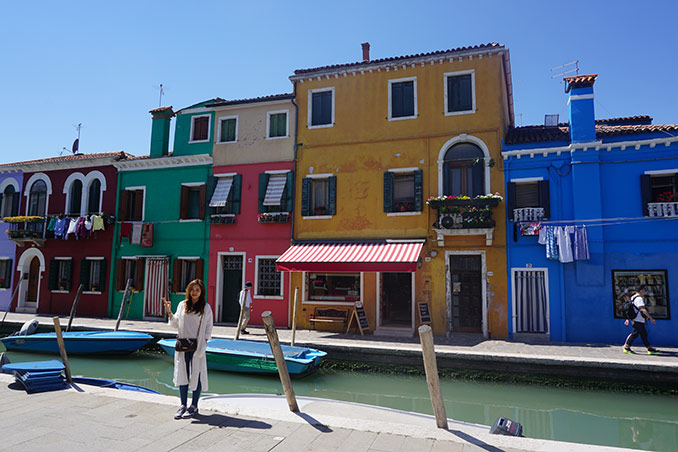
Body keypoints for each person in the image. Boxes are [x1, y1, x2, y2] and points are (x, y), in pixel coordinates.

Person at [162, 279, 213, 419]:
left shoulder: (206, 307)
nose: (194, 292)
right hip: (183, 345)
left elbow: (209, 327)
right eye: (192, 289)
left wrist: (204, 341)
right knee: (182, 374)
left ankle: (194, 406)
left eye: (197, 290)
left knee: (197, 374)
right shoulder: (182, 305)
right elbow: (175, 324)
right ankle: (183, 405)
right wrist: (169, 312)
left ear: (201, 292)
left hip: (197, 346)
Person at [623, 286, 659, 355]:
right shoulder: (639, 299)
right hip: (638, 319)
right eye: (644, 290)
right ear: (641, 291)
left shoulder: (633, 297)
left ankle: (649, 348)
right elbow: (642, 309)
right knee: (635, 334)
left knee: (644, 334)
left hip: (637, 319)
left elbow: (631, 308)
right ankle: (627, 347)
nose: (645, 292)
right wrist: (650, 318)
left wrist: (628, 319)